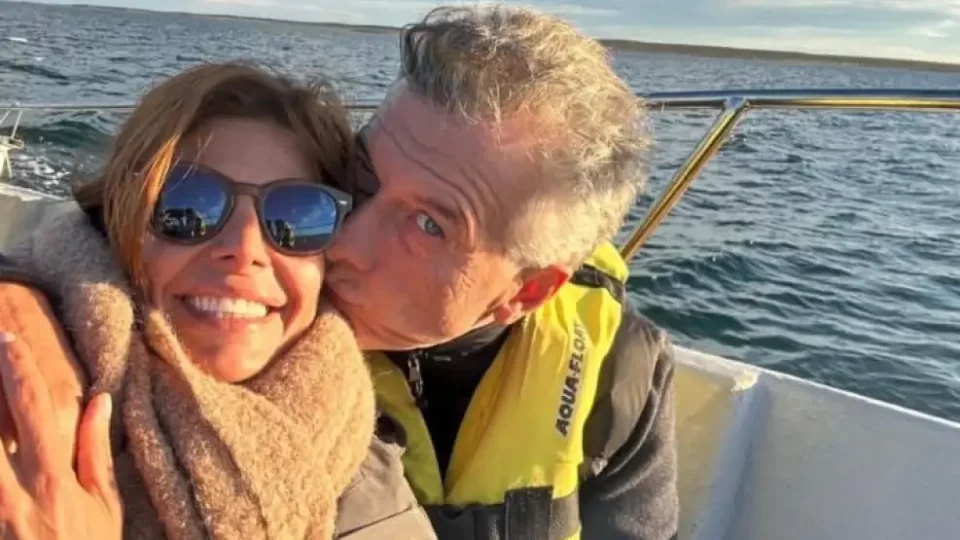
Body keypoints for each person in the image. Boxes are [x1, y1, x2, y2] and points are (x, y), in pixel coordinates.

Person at [0, 4, 679, 539]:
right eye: (361, 177)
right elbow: (112, 237)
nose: (345, 236)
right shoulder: (264, 298)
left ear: (524, 292)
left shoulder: (620, 382)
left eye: (430, 224)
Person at [0, 63, 435, 539]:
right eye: (188, 204)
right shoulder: (23, 380)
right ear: (120, 220)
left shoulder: (373, 500)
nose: (245, 248)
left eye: (297, 216)